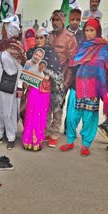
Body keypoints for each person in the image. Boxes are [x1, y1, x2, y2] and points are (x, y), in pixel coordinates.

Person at [60, 19, 108, 156]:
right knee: (71, 116)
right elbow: (72, 62)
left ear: (97, 31)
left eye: (92, 30)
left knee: (89, 118)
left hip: (93, 88)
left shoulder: (104, 48)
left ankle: (86, 144)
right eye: (87, 30)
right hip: (77, 86)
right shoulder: (81, 47)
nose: (89, 33)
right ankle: (70, 141)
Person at [0, 14, 26, 151]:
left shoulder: (16, 47)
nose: (2, 30)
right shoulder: (1, 45)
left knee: (10, 111)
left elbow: (21, 69)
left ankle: (11, 137)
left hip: (11, 84)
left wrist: (19, 86)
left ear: (11, 29)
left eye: (4, 27)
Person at [46, 10, 77, 148]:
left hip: (61, 80)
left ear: (63, 21)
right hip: (47, 79)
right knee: (46, 107)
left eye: (57, 20)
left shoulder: (70, 38)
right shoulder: (49, 36)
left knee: (57, 109)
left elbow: (72, 63)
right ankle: (46, 132)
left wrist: (66, 82)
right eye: (53, 20)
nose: (55, 22)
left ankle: (54, 135)